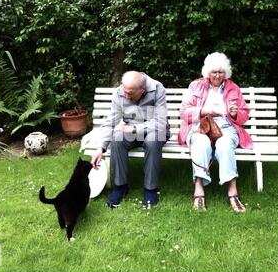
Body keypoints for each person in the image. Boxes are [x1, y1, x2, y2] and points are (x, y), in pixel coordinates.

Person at [178, 52, 253, 212]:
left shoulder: (233, 88)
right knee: (200, 142)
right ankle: (199, 187)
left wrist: (234, 114)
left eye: (221, 72)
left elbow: (244, 115)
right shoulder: (195, 86)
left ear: (226, 73)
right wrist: (205, 110)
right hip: (201, 126)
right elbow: (184, 112)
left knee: (225, 145)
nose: (217, 75)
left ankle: (232, 191)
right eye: (214, 72)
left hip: (226, 128)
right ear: (207, 72)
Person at [91, 71, 170, 208]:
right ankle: (120, 187)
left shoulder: (157, 89)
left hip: (156, 130)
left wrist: (134, 128)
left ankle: (150, 189)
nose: (126, 96)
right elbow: (111, 121)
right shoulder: (119, 92)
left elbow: (160, 122)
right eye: (124, 91)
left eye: (130, 93)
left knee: (152, 140)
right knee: (117, 137)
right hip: (131, 130)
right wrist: (100, 148)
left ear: (142, 90)